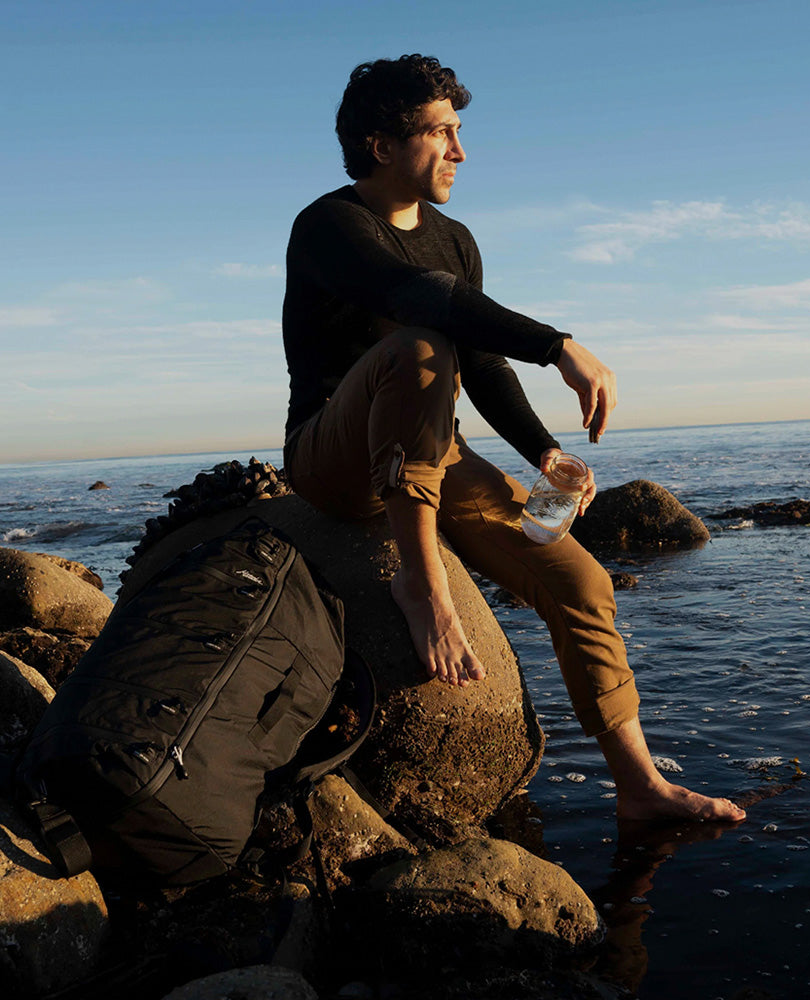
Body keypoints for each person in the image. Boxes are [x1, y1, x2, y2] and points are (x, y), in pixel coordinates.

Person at [281, 54, 744, 823]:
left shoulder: (455, 239)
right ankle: (422, 584)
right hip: (332, 456)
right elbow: (412, 297)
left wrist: (542, 451)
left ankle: (641, 788)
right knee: (417, 347)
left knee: (585, 585)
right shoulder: (330, 225)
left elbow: (484, 359)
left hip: (436, 454)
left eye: (460, 133)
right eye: (442, 133)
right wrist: (561, 345)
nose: (461, 152)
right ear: (381, 144)